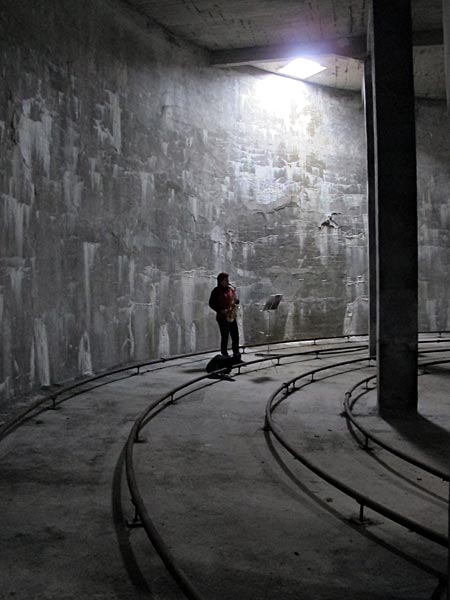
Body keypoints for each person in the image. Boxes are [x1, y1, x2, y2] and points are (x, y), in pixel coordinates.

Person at [209, 272, 241, 360]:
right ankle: (225, 357)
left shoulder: (230, 289)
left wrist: (236, 301)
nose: (228, 281)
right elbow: (211, 303)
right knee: (225, 337)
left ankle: (236, 355)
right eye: (226, 280)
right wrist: (220, 310)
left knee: (235, 336)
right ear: (220, 281)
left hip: (231, 315)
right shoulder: (216, 291)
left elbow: (233, 299)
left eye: (228, 280)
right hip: (222, 317)